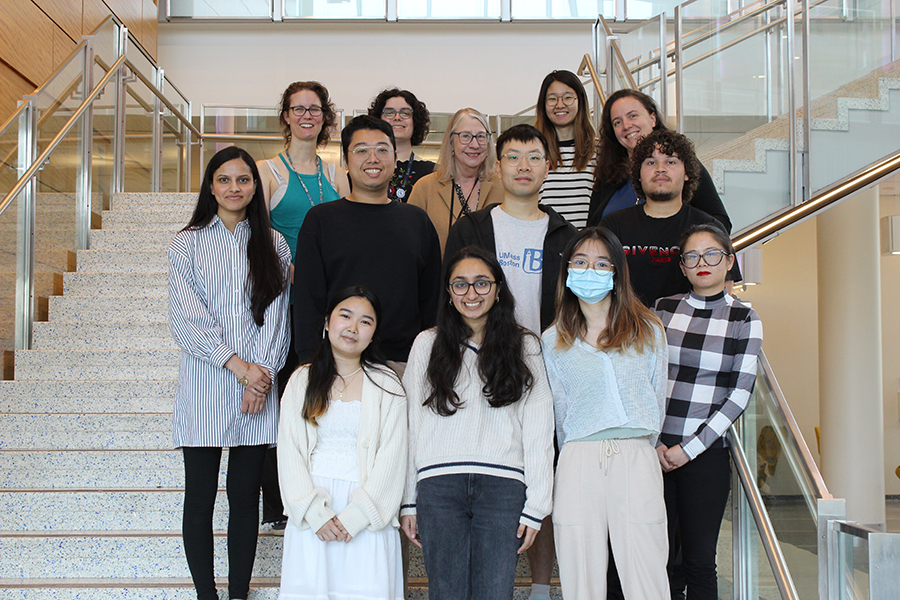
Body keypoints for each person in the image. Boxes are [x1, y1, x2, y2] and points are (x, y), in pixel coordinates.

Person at [444, 123, 576, 600]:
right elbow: (453, 292)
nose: (524, 166)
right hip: (478, 364)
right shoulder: (473, 227)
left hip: (546, 368)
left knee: (544, 470)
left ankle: (541, 587)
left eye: (534, 156)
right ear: (497, 167)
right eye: (514, 157)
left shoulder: (565, 234)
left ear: (549, 165)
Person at [168, 146, 291, 600]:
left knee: (245, 502)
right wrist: (241, 369)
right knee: (199, 501)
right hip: (206, 384)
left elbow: (278, 317)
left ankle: (238, 593)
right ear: (210, 186)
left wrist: (263, 376)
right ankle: (207, 595)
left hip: (257, 390)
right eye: (224, 179)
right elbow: (186, 318)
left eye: (243, 180)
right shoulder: (187, 242)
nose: (234, 188)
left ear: (255, 187)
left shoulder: (273, 244)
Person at [400, 246, 554, 600]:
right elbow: (410, 426)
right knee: (446, 592)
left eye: (482, 283)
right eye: (461, 285)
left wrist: (537, 505)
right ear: (449, 293)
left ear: (499, 288)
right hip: (439, 487)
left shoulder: (525, 344)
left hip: (503, 488)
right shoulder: (427, 344)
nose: (472, 294)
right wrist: (409, 500)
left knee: (494, 592)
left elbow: (539, 427)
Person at [541, 226, 668, 600]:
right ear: (567, 271)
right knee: (580, 573)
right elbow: (561, 413)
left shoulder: (648, 329)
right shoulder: (553, 340)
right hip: (579, 457)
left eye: (601, 263)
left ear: (616, 273)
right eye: (580, 262)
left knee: (646, 569)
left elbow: (656, 395)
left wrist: (640, 445)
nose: (589, 270)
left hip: (635, 454)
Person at [256, 80, 349, 530]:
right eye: (299, 108)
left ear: (325, 117)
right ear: (286, 116)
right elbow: (251, 239)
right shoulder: (266, 171)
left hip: (329, 302)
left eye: (315, 109)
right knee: (285, 396)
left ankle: (321, 486)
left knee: (322, 393)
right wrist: (288, 266)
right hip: (283, 301)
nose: (307, 115)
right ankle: (277, 500)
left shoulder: (336, 174)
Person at [654, 224, 763, 600]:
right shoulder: (663, 309)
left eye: (712, 254)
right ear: (682, 266)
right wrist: (655, 442)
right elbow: (646, 379)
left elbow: (738, 395)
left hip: (705, 455)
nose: (702, 263)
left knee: (700, 560)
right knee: (658, 559)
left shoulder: (744, 318)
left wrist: (689, 448)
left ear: (729, 261)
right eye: (692, 256)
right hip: (654, 452)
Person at [277, 285, 407, 600]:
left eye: (365, 321)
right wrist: (314, 513)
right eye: (344, 316)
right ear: (326, 322)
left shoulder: (388, 385)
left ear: (374, 333)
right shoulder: (302, 381)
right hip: (313, 517)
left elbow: (393, 459)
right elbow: (289, 453)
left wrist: (355, 517)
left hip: (366, 516)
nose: (352, 327)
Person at [293, 115, 442, 367]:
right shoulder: (321, 220)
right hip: (337, 361)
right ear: (345, 160)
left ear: (395, 159)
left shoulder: (417, 221)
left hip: (404, 363)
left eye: (382, 150)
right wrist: (309, 363)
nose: (373, 159)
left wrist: (430, 362)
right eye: (361, 150)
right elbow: (308, 300)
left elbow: (432, 301)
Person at [600, 129, 739, 307]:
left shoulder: (709, 228)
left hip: (688, 331)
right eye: (651, 162)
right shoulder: (612, 226)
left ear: (687, 173)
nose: (660, 169)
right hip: (626, 331)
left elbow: (723, 291)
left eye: (671, 161)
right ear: (639, 175)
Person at [587, 88, 730, 231]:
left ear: (653, 118)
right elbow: (591, 231)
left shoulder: (679, 164)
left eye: (633, 116)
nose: (626, 126)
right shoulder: (608, 173)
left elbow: (719, 223)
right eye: (617, 122)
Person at [408, 108, 504, 254]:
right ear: (451, 142)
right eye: (465, 136)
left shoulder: (503, 188)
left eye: (481, 136)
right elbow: (410, 245)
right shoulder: (424, 188)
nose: (474, 144)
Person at [533, 69, 597, 229]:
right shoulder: (533, 151)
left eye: (568, 97)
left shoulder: (598, 150)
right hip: (544, 246)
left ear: (580, 101)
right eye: (552, 99)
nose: (560, 105)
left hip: (586, 247)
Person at [368, 87, 435, 202]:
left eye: (405, 113)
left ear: (415, 121)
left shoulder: (433, 172)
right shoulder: (366, 167)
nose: (397, 118)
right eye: (389, 113)